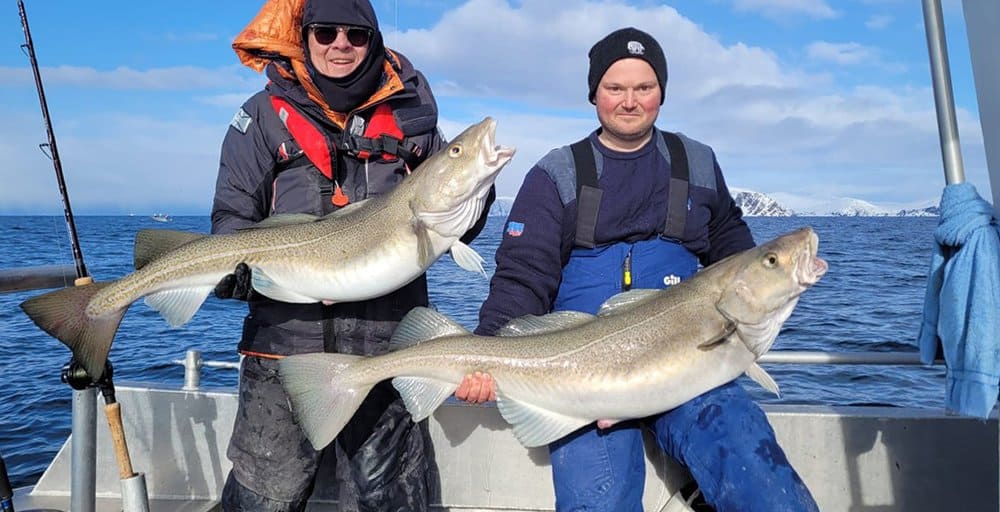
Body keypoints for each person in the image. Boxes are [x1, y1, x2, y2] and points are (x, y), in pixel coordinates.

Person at [456, 27, 819, 512]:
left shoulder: (698, 163)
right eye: (615, 88)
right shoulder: (556, 175)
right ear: (594, 95)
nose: (630, 101)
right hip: (581, 375)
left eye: (644, 87)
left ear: (661, 93)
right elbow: (523, 277)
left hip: (690, 362)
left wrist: (776, 278)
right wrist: (487, 352)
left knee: (751, 462)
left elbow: (735, 250)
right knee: (596, 500)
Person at [211, 0, 491, 510]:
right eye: (325, 31)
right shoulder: (259, 118)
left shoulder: (413, 117)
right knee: (265, 495)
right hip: (282, 346)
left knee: (390, 498)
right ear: (304, 36)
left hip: (388, 348)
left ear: (374, 40)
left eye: (357, 35)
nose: (341, 44)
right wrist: (237, 273)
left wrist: (478, 195)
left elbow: (451, 220)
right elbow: (231, 214)